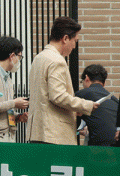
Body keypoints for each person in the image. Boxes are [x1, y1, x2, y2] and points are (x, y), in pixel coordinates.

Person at [29, 17, 98, 145]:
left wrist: (72, 108)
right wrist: (85, 105)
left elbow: (46, 96)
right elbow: (58, 96)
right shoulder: (57, 61)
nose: (74, 46)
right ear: (65, 38)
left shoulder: (38, 58)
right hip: (54, 134)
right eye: (75, 41)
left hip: (37, 132)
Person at [77, 65, 117, 146]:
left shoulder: (81, 94)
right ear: (104, 83)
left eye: (82, 82)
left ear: (86, 78)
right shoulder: (115, 100)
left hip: (96, 149)